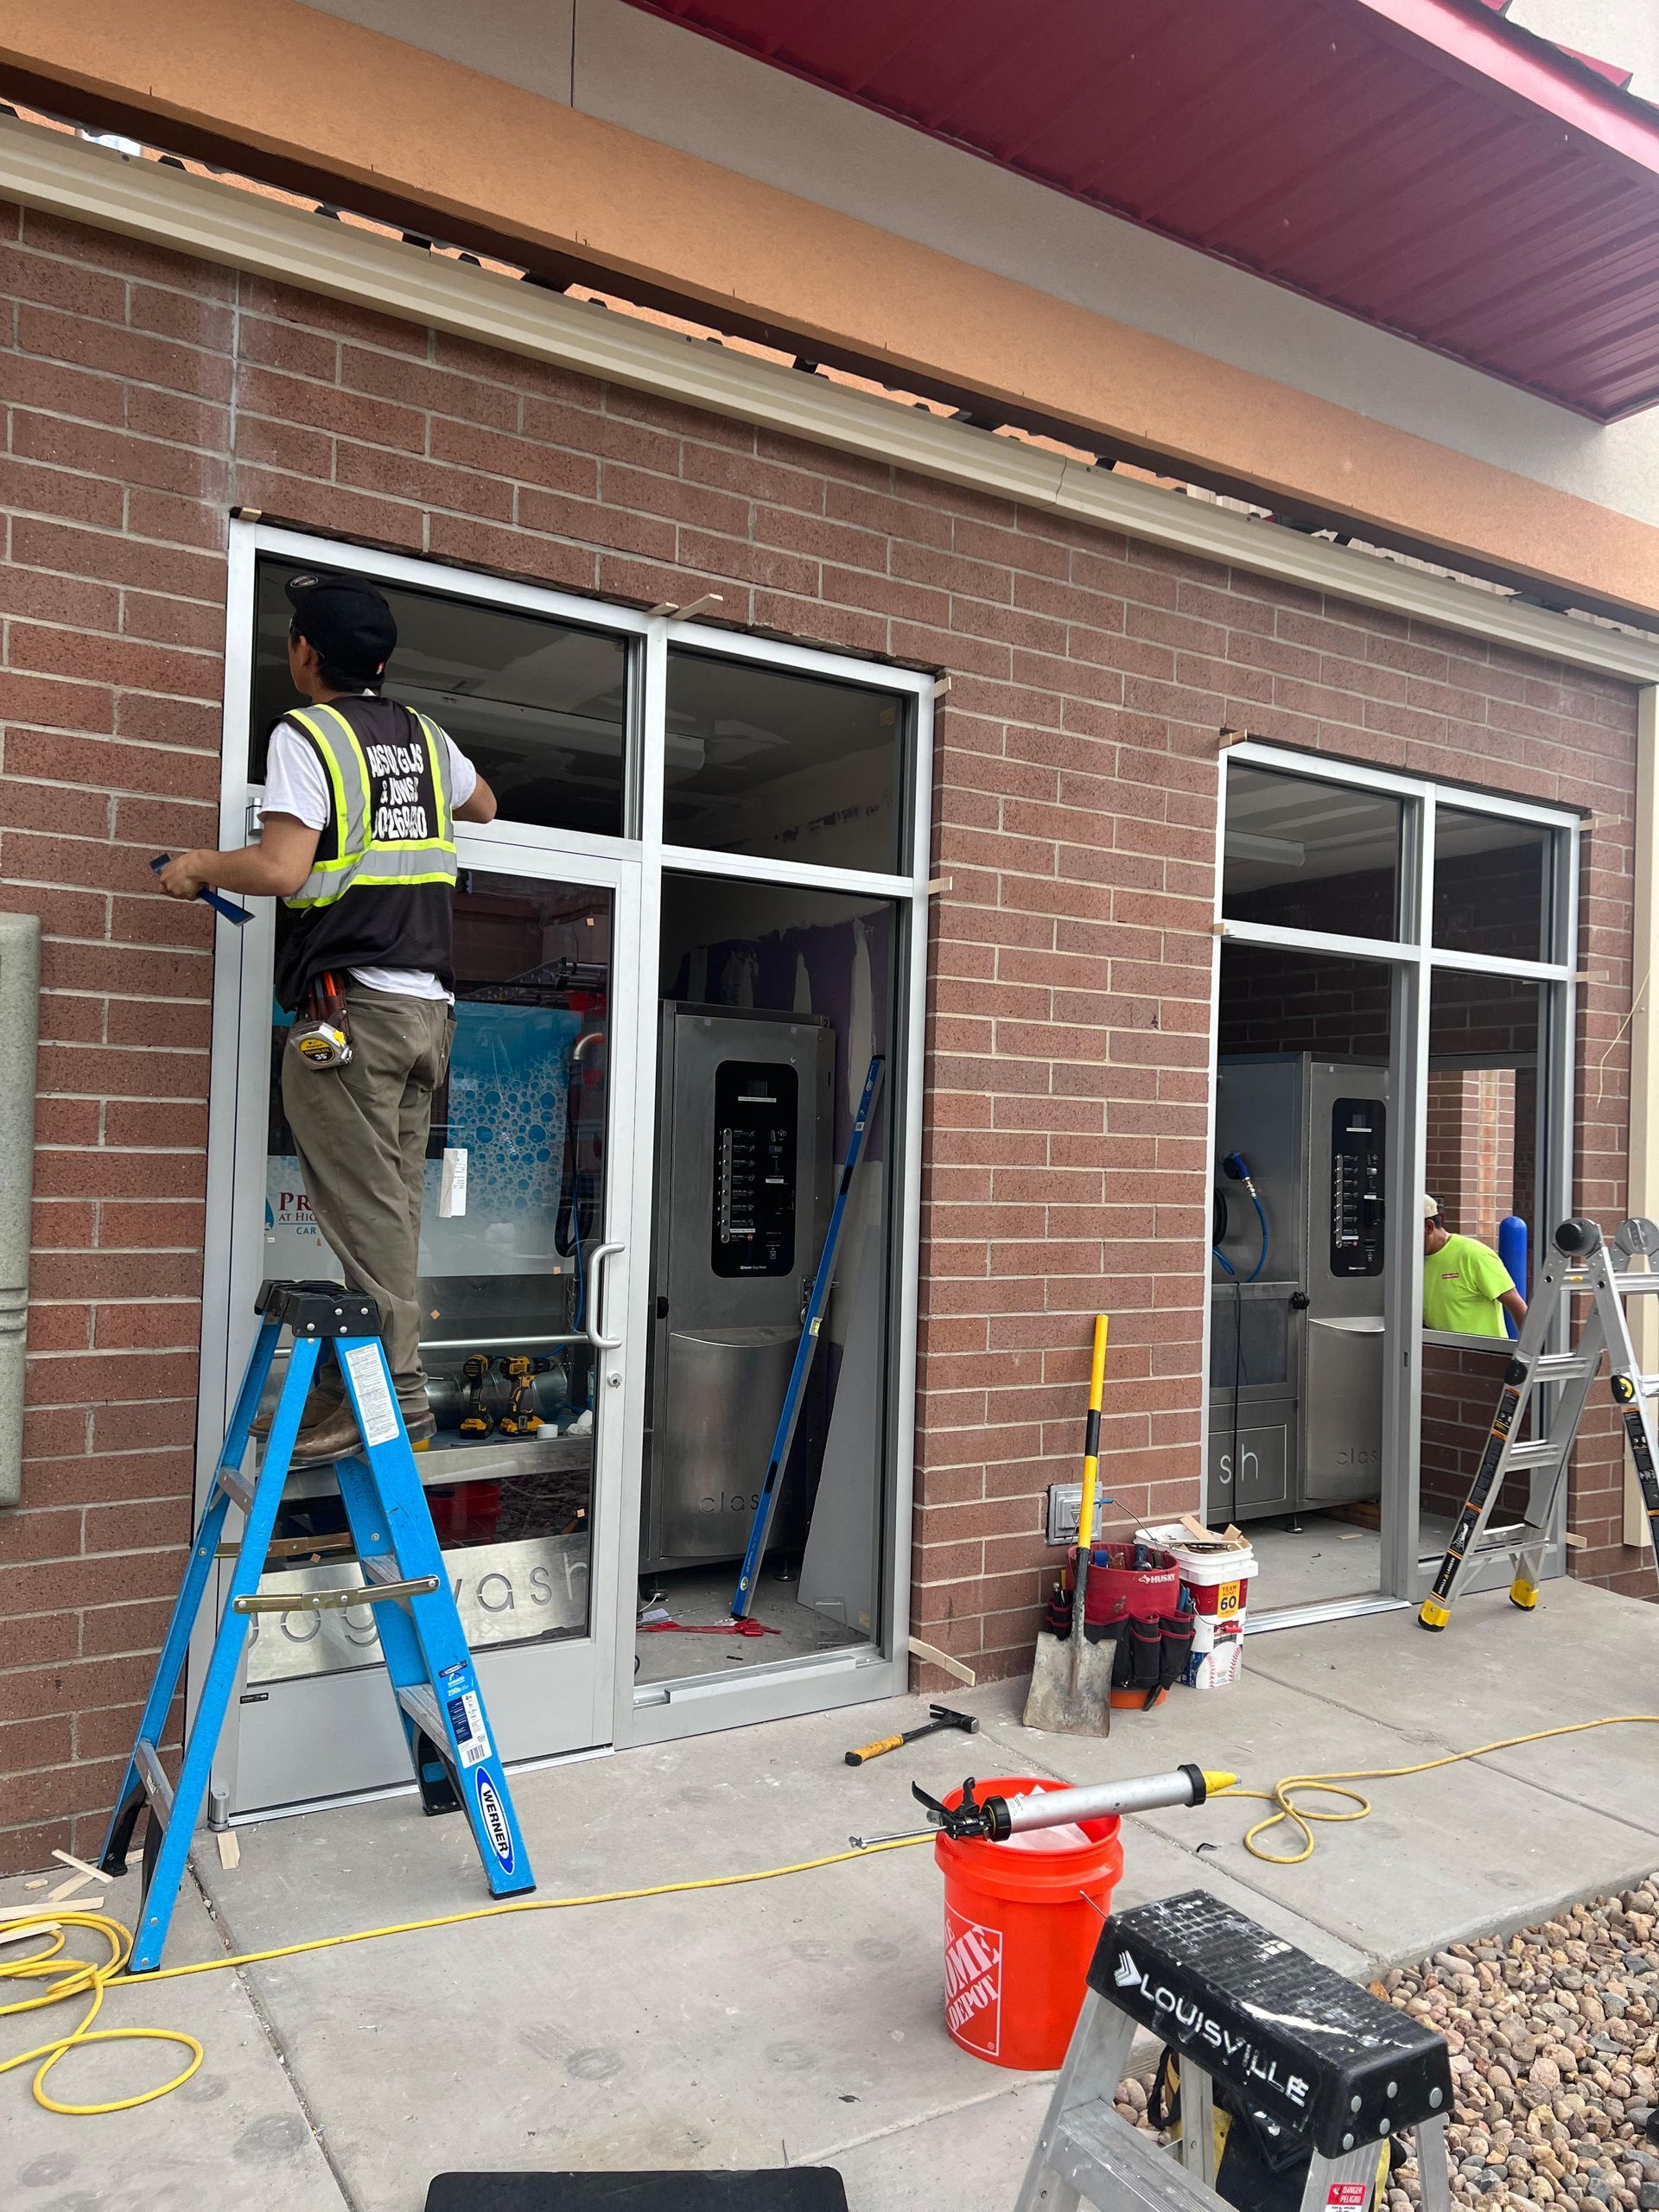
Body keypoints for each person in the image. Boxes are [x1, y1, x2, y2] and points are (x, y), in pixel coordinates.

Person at [159, 574, 497, 1457]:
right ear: (381, 660)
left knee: (368, 1212)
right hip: (428, 1015)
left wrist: (197, 864)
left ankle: (397, 1394)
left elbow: (280, 868)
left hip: (358, 1014)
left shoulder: (307, 734)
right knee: (390, 1209)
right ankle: (372, 1386)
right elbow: (485, 804)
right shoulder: (425, 736)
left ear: (304, 651)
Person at [1421, 1194, 1527, 1338]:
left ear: (1428, 1227)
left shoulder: (1474, 1255)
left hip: (1482, 1355)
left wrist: (1528, 1355)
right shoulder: (1415, 1263)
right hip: (1441, 1352)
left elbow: (1517, 1306)